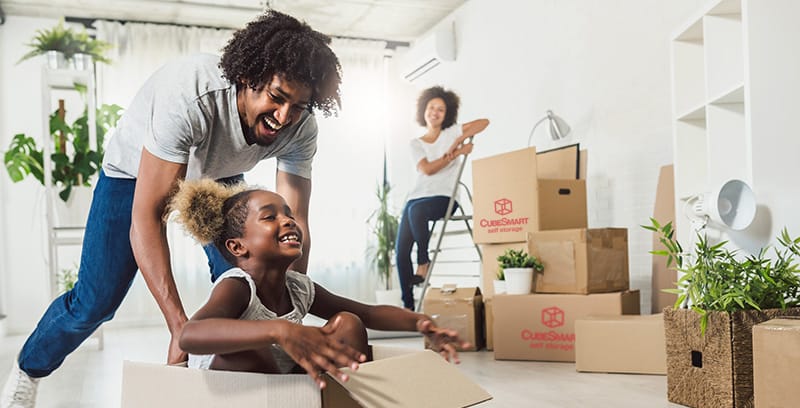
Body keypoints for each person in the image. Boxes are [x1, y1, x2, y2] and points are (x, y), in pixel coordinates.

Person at [2, 10, 341, 408]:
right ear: (248, 81)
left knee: (248, 278)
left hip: (221, 174)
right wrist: (179, 328)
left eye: (298, 106)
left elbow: (295, 221)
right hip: (133, 175)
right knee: (95, 302)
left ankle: (237, 388)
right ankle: (29, 368)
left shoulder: (300, 127)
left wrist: (289, 312)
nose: (284, 117)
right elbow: (147, 218)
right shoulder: (192, 95)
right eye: (276, 98)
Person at [171, 179, 469, 388]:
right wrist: (279, 329)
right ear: (238, 248)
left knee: (348, 324)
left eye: (288, 214)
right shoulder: (237, 286)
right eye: (270, 217)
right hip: (230, 385)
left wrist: (419, 322)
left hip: (285, 379)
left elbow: (368, 314)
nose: (288, 221)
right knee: (254, 347)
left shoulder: (298, 287)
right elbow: (190, 335)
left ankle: (335, 399)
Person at [395, 86, 489, 310]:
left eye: (441, 109)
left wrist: (459, 140)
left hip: (444, 199)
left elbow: (483, 122)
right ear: (423, 111)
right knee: (400, 251)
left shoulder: (451, 132)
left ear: (447, 114)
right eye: (431, 108)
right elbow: (427, 169)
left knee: (415, 211)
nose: (435, 112)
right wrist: (456, 153)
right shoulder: (415, 143)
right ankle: (408, 307)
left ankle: (423, 262)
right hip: (417, 198)